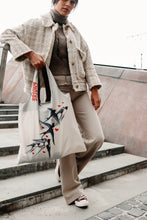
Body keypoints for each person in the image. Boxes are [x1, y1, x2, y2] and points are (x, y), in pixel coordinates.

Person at [0, 0, 104, 208]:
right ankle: (74, 191)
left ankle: (63, 171)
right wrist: (29, 54)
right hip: (54, 92)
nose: (68, 4)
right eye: (64, 0)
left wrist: (94, 89)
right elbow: (6, 34)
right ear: (55, 1)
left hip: (78, 88)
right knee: (66, 142)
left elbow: (88, 61)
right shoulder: (37, 23)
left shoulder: (74, 31)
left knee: (96, 138)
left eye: (73, 2)